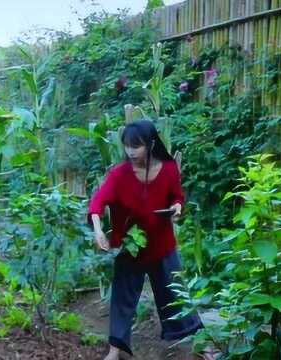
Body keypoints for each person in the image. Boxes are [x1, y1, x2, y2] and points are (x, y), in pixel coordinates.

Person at [88, 120, 203, 360]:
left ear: (150, 144)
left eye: (136, 146)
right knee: (122, 299)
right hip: (130, 247)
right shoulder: (119, 175)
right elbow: (98, 202)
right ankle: (115, 350)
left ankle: (200, 344)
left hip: (162, 246)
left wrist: (176, 209)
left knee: (176, 294)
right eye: (128, 146)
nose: (131, 151)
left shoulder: (169, 169)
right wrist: (98, 230)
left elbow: (177, 197)